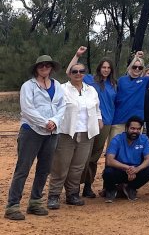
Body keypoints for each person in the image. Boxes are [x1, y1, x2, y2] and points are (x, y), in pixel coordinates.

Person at [5, 55, 66, 220]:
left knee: (44, 169)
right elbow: (27, 109)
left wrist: (54, 121)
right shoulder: (28, 86)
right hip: (31, 130)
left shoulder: (57, 86)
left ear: (51, 68)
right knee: (23, 169)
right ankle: (12, 205)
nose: (44, 68)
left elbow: (62, 106)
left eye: (47, 65)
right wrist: (45, 122)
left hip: (52, 132)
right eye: (41, 65)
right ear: (36, 68)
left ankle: (35, 202)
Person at [100, 49, 149, 198]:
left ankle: (129, 184)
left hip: (135, 124)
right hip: (119, 121)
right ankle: (108, 187)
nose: (137, 70)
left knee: (136, 154)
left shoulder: (144, 81)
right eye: (135, 67)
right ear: (129, 68)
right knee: (112, 154)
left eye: (140, 68)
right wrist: (135, 58)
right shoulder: (121, 81)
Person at [46, 62, 102, 209]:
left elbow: (97, 108)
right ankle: (54, 195)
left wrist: (99, 120)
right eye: (75, 71)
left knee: (78, 166)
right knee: (60, 165)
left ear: (85, 73)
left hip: (86, 133)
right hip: (66, 132)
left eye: (81, 71)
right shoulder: (62, 89)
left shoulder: (91, 90)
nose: (78, 73)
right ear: (69, 73)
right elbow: (54, 108)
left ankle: (72, 194)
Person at [66, 46, 117, 199]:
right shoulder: (90, 79)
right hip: (88, 122)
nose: (106, 70)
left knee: (94, 156)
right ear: (99, 68)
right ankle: (74, 187)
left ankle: (87, 186)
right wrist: (77, 55)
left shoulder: (114, 84)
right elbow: (70, 72)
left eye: (108, 68)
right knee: (82, 156)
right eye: (103, 67)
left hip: (106, 123)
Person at [102, 116, 149, 202]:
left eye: (138, 129)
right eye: (132, 128)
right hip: (120, 170)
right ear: (126, 128)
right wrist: (127, 168)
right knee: (108, 172)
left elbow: (148, 160)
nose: (135, 131)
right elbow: (109, 160)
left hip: (135, 172)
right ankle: (111, 190)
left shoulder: (144, 139)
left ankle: (130, 188)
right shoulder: (117, 139)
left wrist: (137, 169)